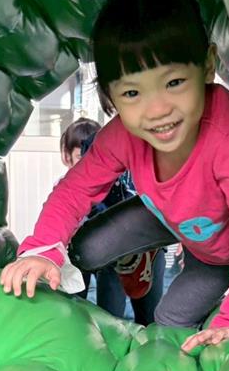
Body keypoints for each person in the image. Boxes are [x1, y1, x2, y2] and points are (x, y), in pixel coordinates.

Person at [1, 0, 229, 353]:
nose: (157, 111)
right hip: (165, 214)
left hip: (220, 255)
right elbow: (74, 189)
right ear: (111, 94)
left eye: (174, 82)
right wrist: (41, 249)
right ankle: (139, 257)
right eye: (132, 92)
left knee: (168, 324)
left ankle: (156, 275)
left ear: (207, 67)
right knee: (85, 249)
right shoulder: (122, 134)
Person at [59, 118, 164, 325]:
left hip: (139, 250)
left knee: (149, 313)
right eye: (81, 157)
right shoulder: (69, 189)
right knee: (104, 313)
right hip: (102, 253)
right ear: (66, 156)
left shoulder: (123, 181)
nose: (89, 165)